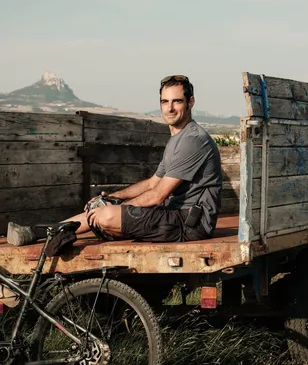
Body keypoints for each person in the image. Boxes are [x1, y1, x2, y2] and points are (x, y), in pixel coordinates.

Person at [8, 75, 223, 244]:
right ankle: (40, 232)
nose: (170, 108)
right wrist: (113, 197)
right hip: (173, 216)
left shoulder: (193, 140)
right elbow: (152, 182)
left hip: (189, 223)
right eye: (165, 101)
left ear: (191, 102)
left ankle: (56, 232)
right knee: (101, 208)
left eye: (177, 101)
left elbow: (157, 195)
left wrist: (117, 209)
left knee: (106, 215)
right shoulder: (178, 138)